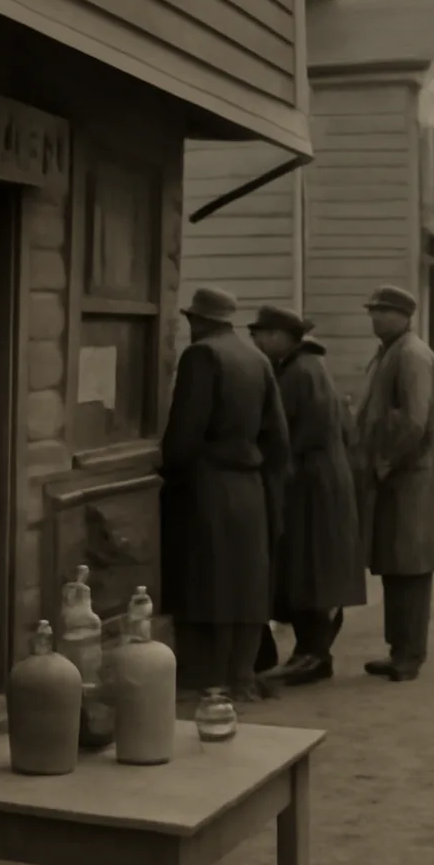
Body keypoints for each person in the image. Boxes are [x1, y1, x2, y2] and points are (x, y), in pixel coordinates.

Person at [159, 286, 290, 702]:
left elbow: (183, 437)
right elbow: (278, 440)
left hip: (208, 485)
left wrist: (170, 473)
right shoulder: (257, 358)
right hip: (250, 487)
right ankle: (240, 677)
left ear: (199, 321)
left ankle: (208, 680)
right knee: (246, 584)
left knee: (207, 582)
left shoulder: (202, 356)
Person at [249, 305, 365, 685]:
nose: (257, 340)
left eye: (263, 333)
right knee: (315, 568)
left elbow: (281, 432)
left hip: (310, 483)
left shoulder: (298, 373)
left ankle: (312, 654)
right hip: (321, 479)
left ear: (283, 337)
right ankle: (312, 652)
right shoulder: (309, 368)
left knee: (309, 569)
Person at [353, 285, 434, 682]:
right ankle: (398, 649)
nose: (375, 317)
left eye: (384, 311)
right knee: (395, 565)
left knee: (410, 568)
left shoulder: (411, 355)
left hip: (410, 477)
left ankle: (410, 654)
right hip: (397, 478)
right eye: (373, 311)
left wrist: (384, 461)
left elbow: (413, 421)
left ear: (405, 316)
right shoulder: (390, 352)